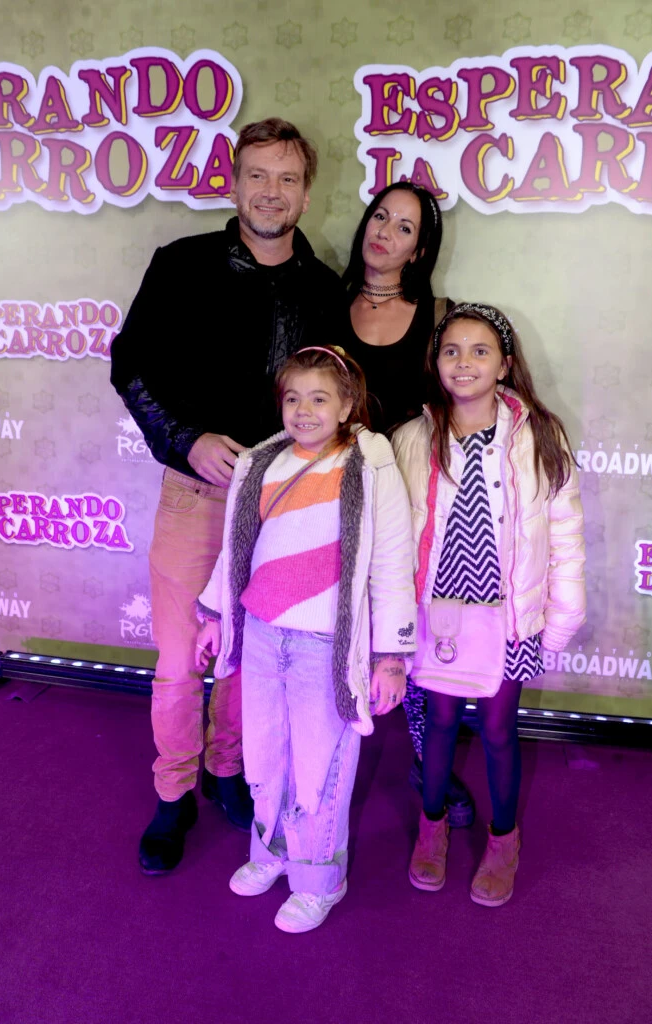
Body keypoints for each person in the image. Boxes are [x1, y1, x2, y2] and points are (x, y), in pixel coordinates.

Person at [110, 118, 347, 874]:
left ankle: (225, 769)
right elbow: (129, 365)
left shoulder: (324, 289)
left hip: (283, 506)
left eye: (287, 178)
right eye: (257, 175)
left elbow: (337, 395)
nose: (271, 192)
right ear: (234, 183)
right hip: (197, 492)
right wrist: (185, 439)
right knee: (181, 661)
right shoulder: (181, 265)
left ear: (305, 193)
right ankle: (173, 791)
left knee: (249, 657)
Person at [196, 345, 416, 932]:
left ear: (347, 405)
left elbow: (392, 560)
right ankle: (271, 851)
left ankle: (320, 879)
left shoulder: (369, 463)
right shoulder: (262, 462)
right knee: (265, 752)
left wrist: (391, 656)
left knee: (321, 765)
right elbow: (235, 549)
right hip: (263, 634)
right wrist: (214, 614)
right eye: (293, 398)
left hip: (326, 645)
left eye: (320, 399)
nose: (304, 410)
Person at [392, 303, 586, 906]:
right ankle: (432, 826)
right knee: (440, 721)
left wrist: (562, 618)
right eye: (451, 350)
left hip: (508, 618)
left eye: (480, 351)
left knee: (499, 728)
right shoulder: (412, 437)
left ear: (504, 364)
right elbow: (394, 540)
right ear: (436, 362)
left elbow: (565, 533)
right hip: (439, 616)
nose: (464, 362)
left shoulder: (541, 436)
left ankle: (504, 838)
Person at [342, 181, 474, 828]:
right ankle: (323, 761)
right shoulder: (322, 302)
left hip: (408, 504)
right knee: (332, 627)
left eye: (403, 227)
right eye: (380, 217)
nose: (384, 232)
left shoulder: (439, 318)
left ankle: (430, 763)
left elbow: (458, 406)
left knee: (410, 637)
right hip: (332, 498)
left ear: (419, 251)